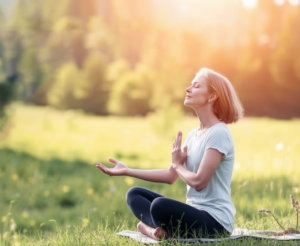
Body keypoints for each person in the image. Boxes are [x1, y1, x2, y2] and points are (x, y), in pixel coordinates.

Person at [96, 67, 244, 240]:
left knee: (159, 206)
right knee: (134, 194)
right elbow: (170, 176)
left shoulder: (218, 133)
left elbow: (199, 182)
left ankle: (149, 229)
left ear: (212, 96)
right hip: (194, 214)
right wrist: (127, 170)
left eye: (196, 86)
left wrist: (177, 164)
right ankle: (156, 231)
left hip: (215, 221)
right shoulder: (193, 135)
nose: (188, 89)